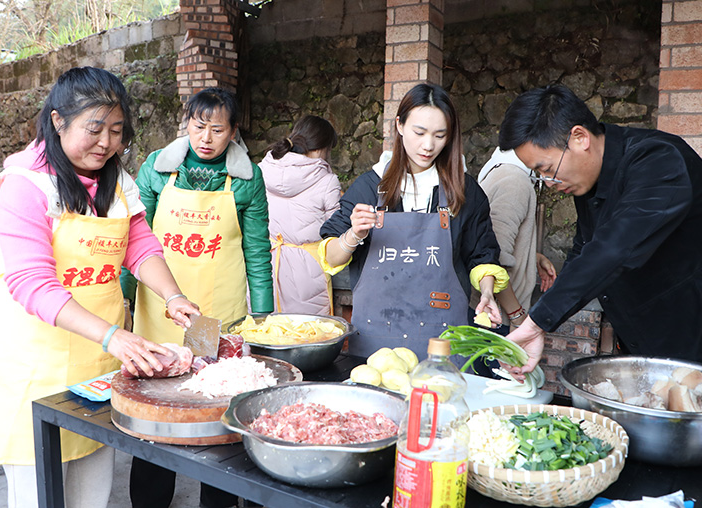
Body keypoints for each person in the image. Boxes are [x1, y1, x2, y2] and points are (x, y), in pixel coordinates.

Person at [0, 67, 198, 508]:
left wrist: (173, 296)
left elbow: (139, 244)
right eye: (95, 129)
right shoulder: (24, 185)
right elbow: (32, 281)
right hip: (32, 358)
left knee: (92, 485)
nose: (107, 143)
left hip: (97, 356)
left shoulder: (116, 179)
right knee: (40, 492)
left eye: (116, 131)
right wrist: (116, 335)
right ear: (58, 121)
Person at [497, 85, 702, 391]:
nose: (549, 182)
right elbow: (585, 249)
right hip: (661, 345)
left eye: (547, 169)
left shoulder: (658, 160)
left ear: (579, 138)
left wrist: (536, 322)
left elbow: (615, 248)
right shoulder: (588, 179)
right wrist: (541, 320)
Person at [121, 87, 272, 508]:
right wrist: (124, 300)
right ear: (186, 123)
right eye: (198, 126)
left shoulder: (246, 178)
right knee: (156, 411)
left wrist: (262, 316)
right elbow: (135, 241)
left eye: (217, 129)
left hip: (212, 312)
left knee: (211, 413)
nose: (206, 137)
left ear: (234, 133)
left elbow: (257, 249)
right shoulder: (157, 168)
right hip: (160, 309)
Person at [319, 82, 509, 361]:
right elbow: (332, 258)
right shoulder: (370, 187)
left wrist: (488, 293)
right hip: (376, 343)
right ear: (399, 125)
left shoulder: (464, 191)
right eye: (419, 132)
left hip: (443, 340)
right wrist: (353, 234)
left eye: (440, 135)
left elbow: (482, 254)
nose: (428, 145)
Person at [260, 115, 341, 315]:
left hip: (265, 265)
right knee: (309, 335)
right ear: (323, 147)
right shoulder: (327, 181)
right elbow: (335, 229)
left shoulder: (263, 169)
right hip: (308, 271)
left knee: (268, 334)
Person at [472, 148, 557, 334]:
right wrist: (518, 318)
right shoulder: (515, 182)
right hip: (497, 318)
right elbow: (495, 258)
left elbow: (487, 241)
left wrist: (532, 256)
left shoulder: (498, 171)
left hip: (490, 312)